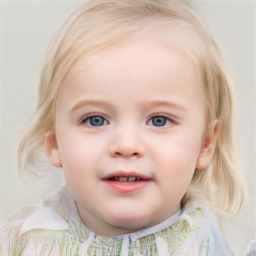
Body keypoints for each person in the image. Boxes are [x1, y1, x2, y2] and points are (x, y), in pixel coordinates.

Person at [0, 0, 246, 255]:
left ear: (206, 144)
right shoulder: (24, 242)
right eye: (96, 120)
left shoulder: (206, 241)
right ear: (54, 143)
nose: (126, 145)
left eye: (159, 120)